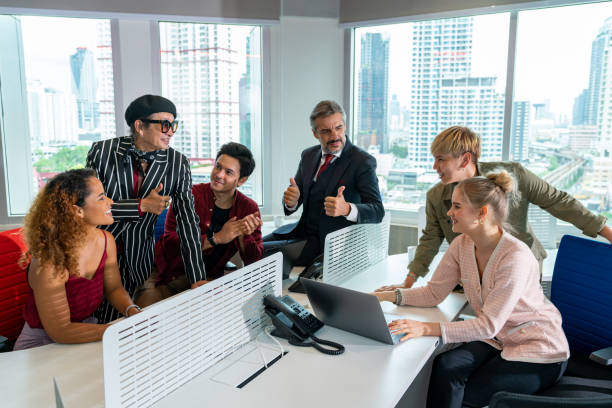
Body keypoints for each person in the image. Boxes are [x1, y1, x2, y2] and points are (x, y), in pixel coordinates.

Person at [373, 172, 569, 408]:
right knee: (445, 367)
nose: (449, 213)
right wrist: (386, 296)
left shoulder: (514, 256)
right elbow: (434, 293)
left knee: (467, 397)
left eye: (456, 206)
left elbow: (488, 324)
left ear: (482, 213)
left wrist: (425, 328)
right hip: (497, 339)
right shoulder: (462, 244)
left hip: (538, 351)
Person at [379, 126, 612, 290]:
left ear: (464, 159)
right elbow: (430, 239)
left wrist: (608, 234)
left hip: (520, 266)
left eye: (441, 159)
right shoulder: (437, 196)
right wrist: (408, 282)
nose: (434, 166)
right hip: (476, 271)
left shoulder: (514, 175)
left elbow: (560, 202)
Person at [86, 94, 206, 323]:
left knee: (125, 328)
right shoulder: (102, 153)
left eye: (174, 124)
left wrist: (197, 277)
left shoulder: (177, 163)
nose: (171, 131)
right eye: (165, 124)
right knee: (98, 327)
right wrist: (141, 206)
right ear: (140, 126)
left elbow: (188, 222)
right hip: (98, 256)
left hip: (140, 259)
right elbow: (89, 209)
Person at [14, 169, 139, 350]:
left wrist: (133, 311)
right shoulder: (50, 260)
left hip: (85, 332)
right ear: (77, 210)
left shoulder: (106, 240)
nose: (110, 202)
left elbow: (114, 289)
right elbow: (61, 331)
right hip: (42, 346)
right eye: (102, 197)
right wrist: (117, 331)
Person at [263, 100, 385, 266]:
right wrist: (291, 202)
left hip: (331, 245)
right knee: (253, 246)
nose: (335, 136)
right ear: (315, 133)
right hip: (301, 232)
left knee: (261, 254)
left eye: (339, 127)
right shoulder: (308, 156)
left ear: (345, 126)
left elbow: (378, 211)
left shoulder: (362, 161)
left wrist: (347, 209)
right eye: (326, 131)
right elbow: (295, 198)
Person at [147, 142, 263, 303]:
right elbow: (170, 244)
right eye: (218, 167)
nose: (219, 175)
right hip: (168, 273)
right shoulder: (189, 196)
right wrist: (216, 238)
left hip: (207, 279)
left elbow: (254, 262)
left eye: (228, 172)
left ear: (241, 180)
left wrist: (245, 236)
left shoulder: (248, 207)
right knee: (145, 320)